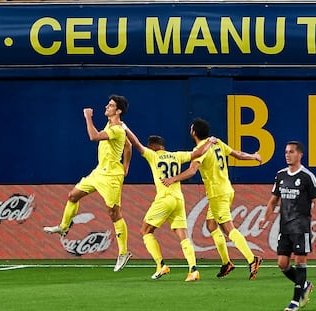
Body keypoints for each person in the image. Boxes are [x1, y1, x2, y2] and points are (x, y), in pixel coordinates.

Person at [161, 117, 263, 280]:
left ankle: (252, 259)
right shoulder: (216, 142)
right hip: (226, 189)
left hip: (217, 194)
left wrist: (173, 179)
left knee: (228, 228)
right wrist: (253, 156)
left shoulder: (201, 149)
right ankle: (226, 263)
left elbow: (192, 171)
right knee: (211, 225)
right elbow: (237, 154)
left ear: (194, 132)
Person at [43, 94, 133, 272]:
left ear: (119, 110)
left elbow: (93, 136)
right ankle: (63, 227)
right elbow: (128, 146)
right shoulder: (115, 125)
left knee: (114, 213)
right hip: (98, 172)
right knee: (73, 195)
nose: (107, 107)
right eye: (108, 104)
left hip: (111, 178)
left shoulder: (117, 129)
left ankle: (123, 252)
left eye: (111, 105)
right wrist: (126, 166)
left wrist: (88, 117)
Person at [122, 124, 216, 282]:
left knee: (145, 231)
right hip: (178, 199)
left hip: (164, 198)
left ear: (152, 146)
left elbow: (136, 144)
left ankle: (161, 265)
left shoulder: (153, 155)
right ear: (163, 146)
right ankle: (193, 270)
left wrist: (124, 129)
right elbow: (197, 153)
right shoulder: (176, 155)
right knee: (183, 236)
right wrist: (209, 141)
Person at [263, 141, 316, 311]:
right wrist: (265, 218)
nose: (287, 155)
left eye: (291, 152)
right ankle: (304, 285)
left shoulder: (307, 176)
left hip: (301, 226)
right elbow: (273, 200)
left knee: (299, 261)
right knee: (282, 264)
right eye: (286, 152)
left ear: (300, 155)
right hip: (285, 227)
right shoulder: (281, 175)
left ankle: (295, 302)